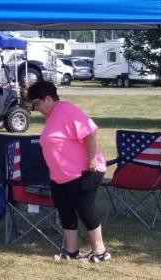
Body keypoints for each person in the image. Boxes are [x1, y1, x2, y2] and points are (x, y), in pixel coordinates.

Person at [24, 80, 111, 263]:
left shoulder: (66, 109)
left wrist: (91, 159)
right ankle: (71, 250)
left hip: (83, 171)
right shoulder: (53, 116)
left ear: (48, 98)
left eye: (37, 103)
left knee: (85, 209)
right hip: (61, 176)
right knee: (65, 210)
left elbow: (89, 132)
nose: (36, 108)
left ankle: (100, 250)